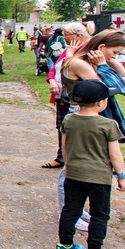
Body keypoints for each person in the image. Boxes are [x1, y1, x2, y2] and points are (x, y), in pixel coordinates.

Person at [55, 79, 125, 249]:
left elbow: (64, 145)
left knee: (71, 210)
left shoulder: (69, 119)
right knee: (99, 214)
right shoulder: (108, 125)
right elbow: (115, 155)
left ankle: (65, 244)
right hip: (99, 178)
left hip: (73, 174)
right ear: (100, 103)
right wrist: (122, 176)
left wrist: (68, 165)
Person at [42, 21, 94, 170]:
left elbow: (69, 69)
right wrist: (52, 80)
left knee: (76, 127)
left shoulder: (87, 49)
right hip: (62, 96)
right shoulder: (69, 49)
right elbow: (55, 68)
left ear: (77, 35)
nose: (63, 37)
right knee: (62, 127)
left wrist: (70, 55)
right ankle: (62, 157)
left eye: (66, 35)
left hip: (76, 97)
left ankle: (76, 159)